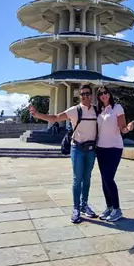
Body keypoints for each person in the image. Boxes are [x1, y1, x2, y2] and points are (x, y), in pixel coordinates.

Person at [29, 83, 99, 223]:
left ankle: (84, 204)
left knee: (87, 179)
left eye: (87, 93)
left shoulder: (97, 111)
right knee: (77, 179)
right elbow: (55, 117)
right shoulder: (75, 110)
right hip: (77, 149)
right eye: (82, 94)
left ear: (91, 95)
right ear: (79, 96)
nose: (85, 96)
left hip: (91, 150)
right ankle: (76, 208)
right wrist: (37, 114)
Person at [95, 85, 134, 222]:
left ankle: (117, 209)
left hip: (114, 147)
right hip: (100, 148)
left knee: (108, 178)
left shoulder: (117, 108)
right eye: (101, 94)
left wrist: (128, 128)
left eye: (105, 92)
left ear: (109, 94)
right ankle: (109, 207)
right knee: (104, 179)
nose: (103, 95)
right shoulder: (99, 110)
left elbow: (122, 128)